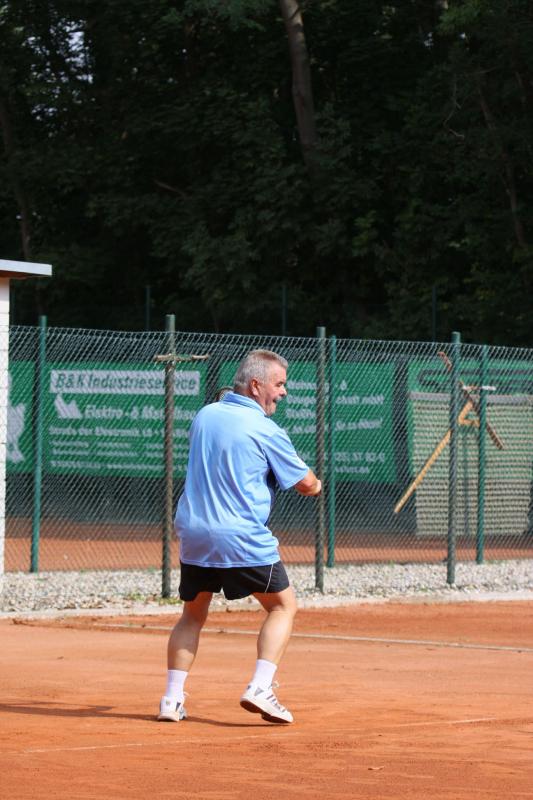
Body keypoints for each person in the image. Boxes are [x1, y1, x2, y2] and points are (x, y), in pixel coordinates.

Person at [158, 349, 322, 725]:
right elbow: (305, 483)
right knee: (283, 607)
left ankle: (171, 699)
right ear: (256, 385)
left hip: (194, 533)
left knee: (192, 614)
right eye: (279, 384)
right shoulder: (266, 430)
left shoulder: (205, 415)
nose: (283, 392)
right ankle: (260, 687)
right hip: (240, 537)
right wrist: (316, 485)